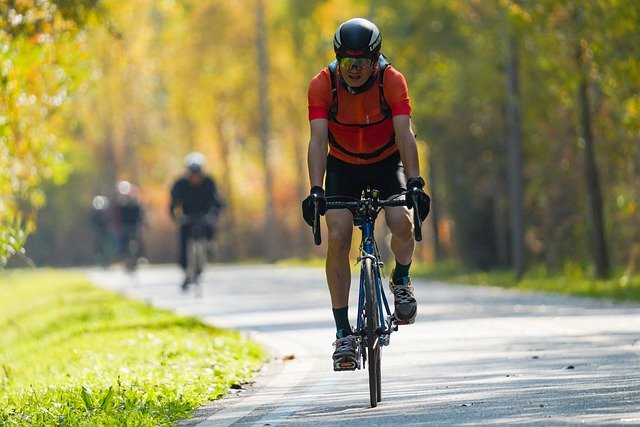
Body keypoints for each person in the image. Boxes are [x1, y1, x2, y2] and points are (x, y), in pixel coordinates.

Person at [302, 18, 430, 371]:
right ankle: (343, 334)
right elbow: (316, 140)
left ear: (376, 60)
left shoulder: (393, 80)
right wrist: (316, 189)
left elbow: (405, 134)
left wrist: (415, 182)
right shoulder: (322, 85)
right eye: (347, 62)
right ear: (337, 59)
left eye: (362, 62)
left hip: (386, 162)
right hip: (342, 166)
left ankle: (401, 280)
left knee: (401, 221)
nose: (354, 69)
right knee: (339, 235)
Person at [170, 152, 224, 290]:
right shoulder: (180, 184)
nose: (195, 176)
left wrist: (213, 214)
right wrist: (177, 216)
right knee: (184, 242)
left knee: (209, 228)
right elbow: (174, 202)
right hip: (187, 217)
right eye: (192, 172)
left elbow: (217, 201)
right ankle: (185, 269)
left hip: (204, 216)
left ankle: (210, 246)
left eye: (197, 172)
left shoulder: (208, 182)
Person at [112, 180, 145, 265]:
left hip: (134, 225)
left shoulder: (136, 205)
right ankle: (122, 254)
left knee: (137, 240)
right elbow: (119, 217)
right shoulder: (121, 206)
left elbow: (140, 216)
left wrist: (141, 224)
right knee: (123, 240)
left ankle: (140, 257)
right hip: (125, 225)